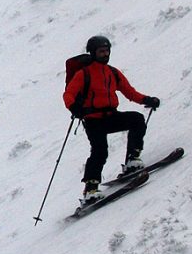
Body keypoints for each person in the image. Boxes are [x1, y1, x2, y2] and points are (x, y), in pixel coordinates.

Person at [62, 36, 160, 202]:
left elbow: (129, 92)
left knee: (136, 120)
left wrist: (147, 100)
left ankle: (132, 161)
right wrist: (75, 108)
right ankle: (91, 189)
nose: (105, 54)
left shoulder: (112, 72)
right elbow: (68, 94)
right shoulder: (83, 74)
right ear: (93, 52)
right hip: (93, 120)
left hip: (110, 116)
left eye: (107, 51)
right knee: (100, 151)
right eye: (101, 51)